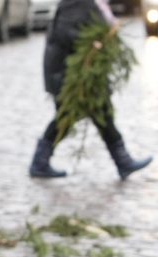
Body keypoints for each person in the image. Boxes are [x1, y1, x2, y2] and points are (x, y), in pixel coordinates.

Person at [29, 0, 151, 180]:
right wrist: (94, 43)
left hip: (82, 73)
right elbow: (65, 32)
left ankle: (122, 161)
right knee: (69, 116)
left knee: (101, 115)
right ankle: (39, 162)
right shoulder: (77, 1)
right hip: (69, 73)